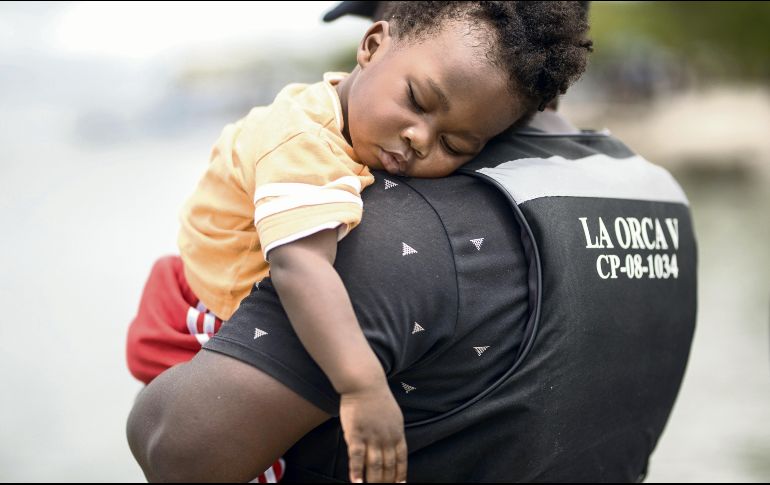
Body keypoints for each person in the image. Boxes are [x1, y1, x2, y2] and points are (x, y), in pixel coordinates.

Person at [127, 1, 696, 482]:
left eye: (452, 136)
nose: (417, 139)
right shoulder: (661, 196)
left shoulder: (400, 231)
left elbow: (176, 450)